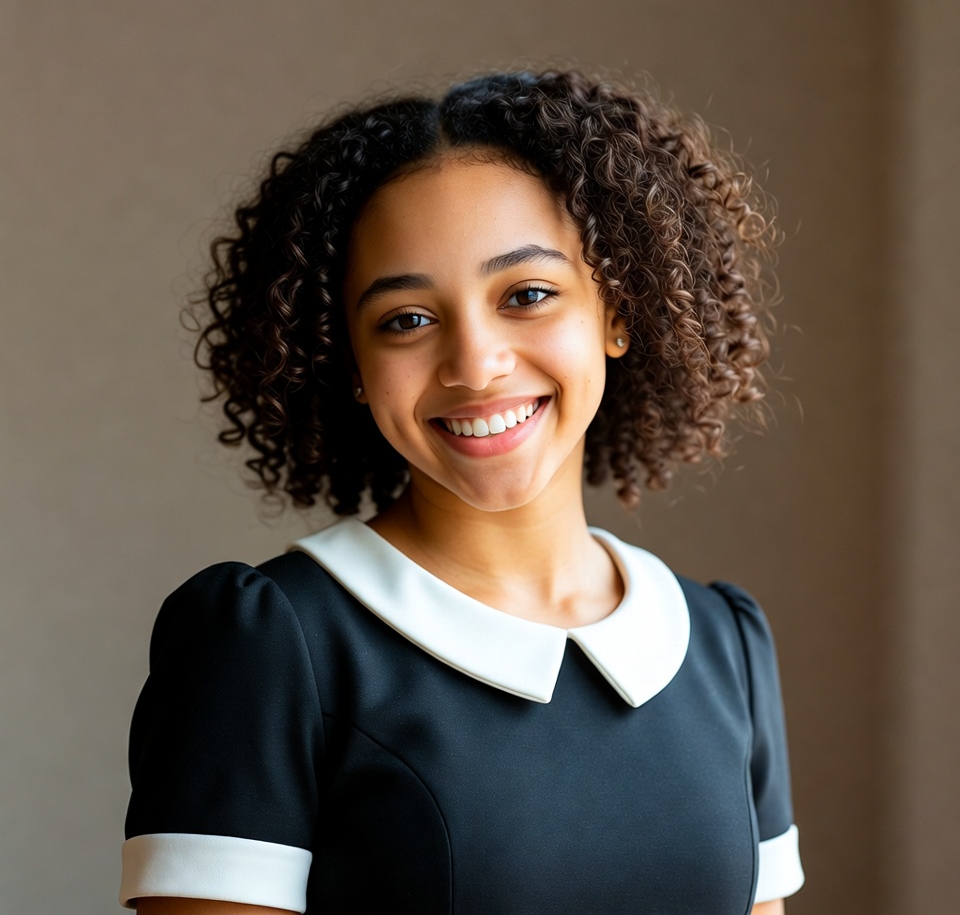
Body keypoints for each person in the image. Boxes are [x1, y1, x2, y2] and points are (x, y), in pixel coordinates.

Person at [120, 70, 804, 914]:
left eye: (528, 295)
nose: (476, 364)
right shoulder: (268, 645)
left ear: (618, 313)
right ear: (354, 369)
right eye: (407, 319)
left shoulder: (719, 645)